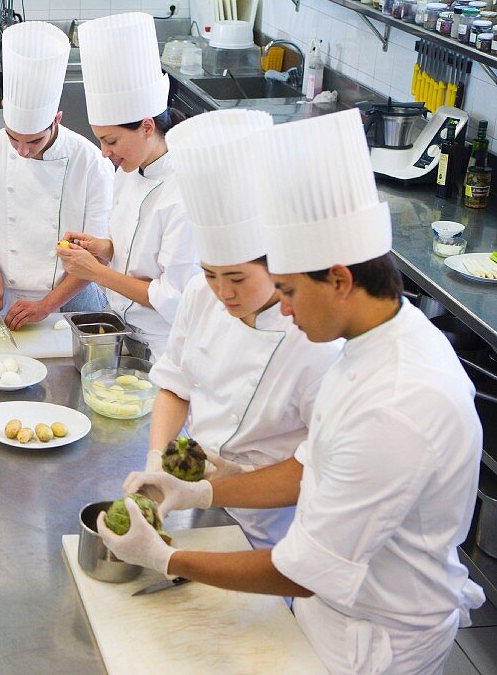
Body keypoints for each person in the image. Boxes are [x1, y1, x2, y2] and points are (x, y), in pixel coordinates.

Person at [99, 109, 484, 675]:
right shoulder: (375, 344)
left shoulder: (398, 402)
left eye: (287, 291)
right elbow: (311, 464)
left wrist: (167, 557)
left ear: (340, 279)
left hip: (375, 633)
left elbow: (306, 569)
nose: (279, 308)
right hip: (329, 605)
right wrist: (200, 494)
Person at [140, 108, 342, 550]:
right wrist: (158, 458)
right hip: (195, 499)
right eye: (211, 273)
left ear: (278, 265)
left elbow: (320, 469)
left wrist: (229, 481)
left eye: (236, 279)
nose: (221, 292)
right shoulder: (199, 294)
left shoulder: (317, 340)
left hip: (271, 525)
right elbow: (176, 383)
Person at [57, 12, 198, 359]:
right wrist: (103, 249)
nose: (105, 153)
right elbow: (136, 251)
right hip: (123, 332)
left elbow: (174, 297)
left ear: (147, 127)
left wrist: (96, 272)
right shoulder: (129, 170)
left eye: (112, 141)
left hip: (166, 348)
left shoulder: (184, 193)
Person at [0, 21, 112, 329]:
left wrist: (46, 306)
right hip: (5, 296)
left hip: (73, 302)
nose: (23, 151)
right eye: (14, 138)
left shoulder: (90, 161)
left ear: (56, 119)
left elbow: (100, 255)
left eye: (34, 141)